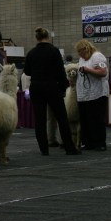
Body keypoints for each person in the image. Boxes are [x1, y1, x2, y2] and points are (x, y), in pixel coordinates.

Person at [23, 27, 80, 156]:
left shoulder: (31, 53)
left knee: (40, 119)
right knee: (61, 117)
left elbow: (26, 72)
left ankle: (44, 149)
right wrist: (64, 87)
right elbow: (60, 71)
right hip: (51, 86)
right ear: (48, 37)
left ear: (36, 38)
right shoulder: (54, 51)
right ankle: (69, 148)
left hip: (36, 87)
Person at [75, 39, 109, 151]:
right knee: (85, 120)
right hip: (84, 95)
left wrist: (88, 70)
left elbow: (103, 72)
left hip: (97, 94)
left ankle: (100, 143)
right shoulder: (81, 59)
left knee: (97, 119)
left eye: (80, 51)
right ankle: (88, 142)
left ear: (86, 49)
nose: (80, 54)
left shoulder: (97, 56)